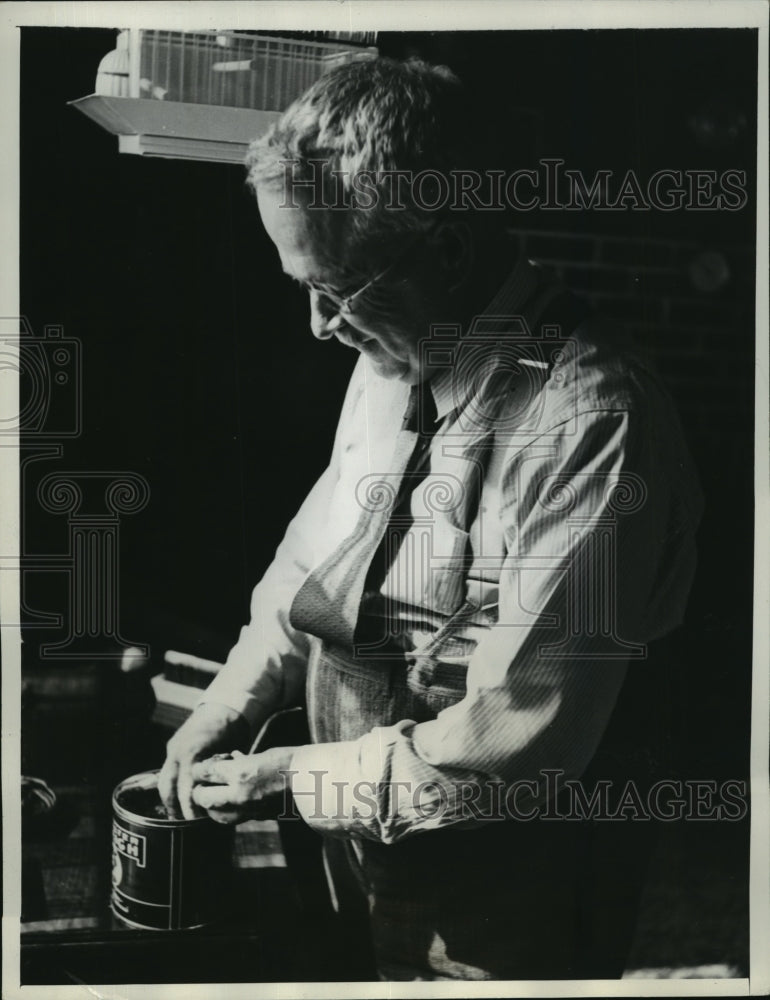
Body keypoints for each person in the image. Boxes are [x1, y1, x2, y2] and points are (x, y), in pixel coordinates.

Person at [158, 57, 703, 980]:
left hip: (513, 875)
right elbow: (314, 562)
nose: (321, 326)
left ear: (448, 249)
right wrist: (233, 702)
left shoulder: (592, 422)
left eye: (338, 289)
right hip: (369, 835)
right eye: (305, 288)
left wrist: (289, 779)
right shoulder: (391, 356)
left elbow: (519, 741)